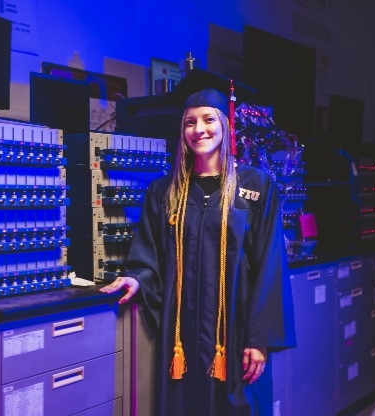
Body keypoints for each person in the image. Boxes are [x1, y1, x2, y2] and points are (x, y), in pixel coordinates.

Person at [100, 87, 296, 416]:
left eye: (208, 119)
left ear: (224, 125)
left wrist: (259, 338)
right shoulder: (165, 190)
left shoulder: (256, 186)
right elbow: (149, 255)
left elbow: (270, 264)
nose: (199, 130)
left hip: (234, 335)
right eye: (190, 122)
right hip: (183, 338)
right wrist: (136, 279)